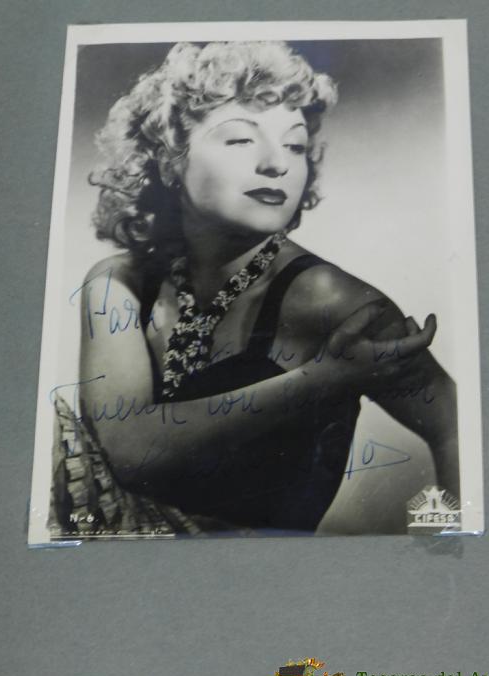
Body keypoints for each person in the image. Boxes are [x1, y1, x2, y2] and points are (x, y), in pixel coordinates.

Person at [70, 41, 458, 535]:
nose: (278, 164)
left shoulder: (331, 301)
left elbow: (458, 427)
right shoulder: (118, 284)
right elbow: (130, 448)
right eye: (239, 140)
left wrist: (454, 554)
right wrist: (321, 380)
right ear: (168, 161)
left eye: (295, 146)